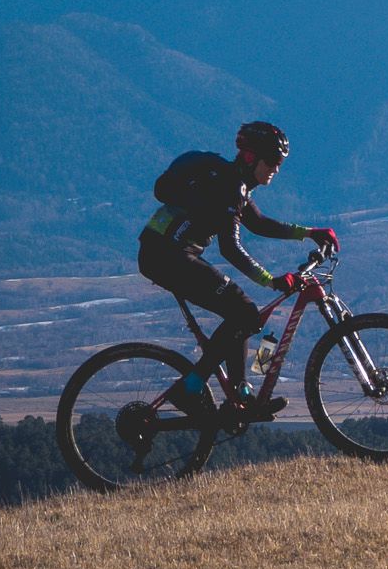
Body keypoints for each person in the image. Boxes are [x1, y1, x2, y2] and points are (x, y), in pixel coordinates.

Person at [139, 121, 338, 422]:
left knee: (243, 315)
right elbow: (230, 248)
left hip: (169, 252)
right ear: (250, 158)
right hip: (168, 255)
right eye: (272, 161)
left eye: (280, 163)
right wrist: (271, 281)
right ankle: (190, 388)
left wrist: (310, 233)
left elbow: (259, 223)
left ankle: (240, 395)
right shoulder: (230, 185)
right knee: (246, 313)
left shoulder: (234, 184)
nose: (276, 169)